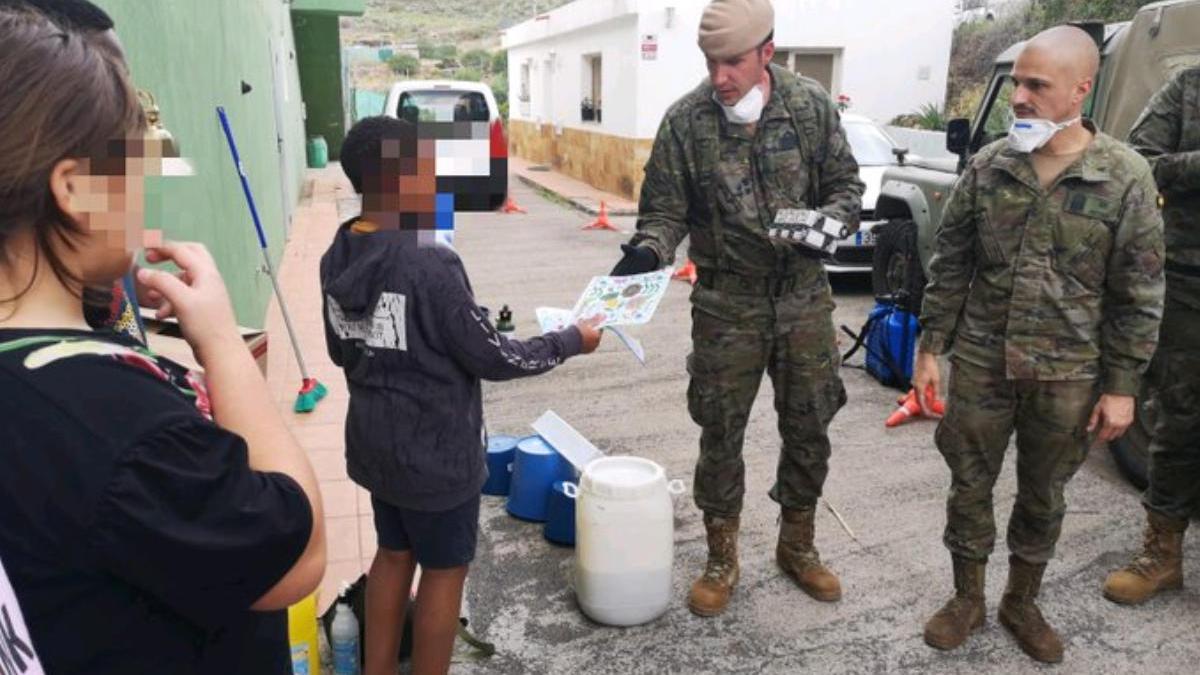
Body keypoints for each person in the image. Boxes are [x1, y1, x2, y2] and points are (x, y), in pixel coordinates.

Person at [0, 6, 326, 674]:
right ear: (74, 189)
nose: (146, 185)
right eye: (134, 160)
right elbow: (298, 555)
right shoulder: (120, 429)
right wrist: (222, 344)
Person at [912, 26, 1165, 663]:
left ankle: (1021, 602)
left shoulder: (1124, 176)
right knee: (968, 484)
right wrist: (929, 348)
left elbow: (1138, 291)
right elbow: (952, 264)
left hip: (1069, 374)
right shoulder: (990, 165)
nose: (1018, 97)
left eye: (1036, 85)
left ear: (1082, 89)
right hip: (984, 363)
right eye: (1017, 83)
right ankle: (967, 599)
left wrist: (1122, 388)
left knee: (1044, 496)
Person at [608, 0, 864, 617]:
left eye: (732, 62)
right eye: (710, 62)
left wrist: (827, 223)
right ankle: (721, 556)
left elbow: (847, 188)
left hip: (803, 298)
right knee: (719, 430)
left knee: (809, 425)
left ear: (766, 53)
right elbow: (664, 211)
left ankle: (797, 546)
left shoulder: (809, 107)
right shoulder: (687, 121)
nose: (719, 76)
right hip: (727, 303)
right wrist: (648, 251)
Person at [322, 115, 602, 675]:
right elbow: (491, 356)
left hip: (377, 446)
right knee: (445, 572)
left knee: (393, 555)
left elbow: (339, 350)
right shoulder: (429, 257)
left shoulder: (340, 250)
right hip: (435, 455)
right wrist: (571, 339)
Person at [1102, 65, 1200, 605]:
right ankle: (1162, 555)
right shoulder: (1189, 87)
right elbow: (1142, 162)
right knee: (1180, 419)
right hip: (1190, 287)